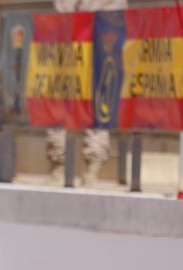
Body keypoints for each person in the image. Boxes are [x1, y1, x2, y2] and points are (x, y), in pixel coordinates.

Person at [45, 0, 127, 186]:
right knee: (60, 89)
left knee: (101, 92)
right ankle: (57, 162)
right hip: (67, 22)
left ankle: (93, 165)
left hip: (104, 19)